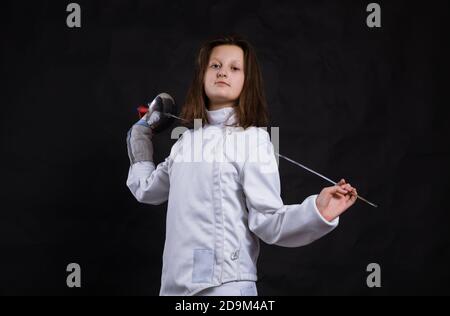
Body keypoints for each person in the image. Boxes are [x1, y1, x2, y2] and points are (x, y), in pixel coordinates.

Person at [126, 34, 358, 296]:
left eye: (234, 68)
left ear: (247, 82)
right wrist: (139, 137)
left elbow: (268, 219)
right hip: (174, 287)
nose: (223, 72)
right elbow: (148, 190)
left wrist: (317, 211)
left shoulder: (253, 140)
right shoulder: (184, 143)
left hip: (225, 286)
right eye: (215, 65)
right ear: (202, 75)